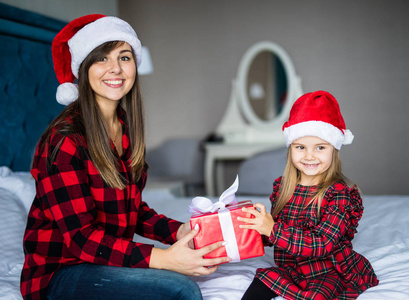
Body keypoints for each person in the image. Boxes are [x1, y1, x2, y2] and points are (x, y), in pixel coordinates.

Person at [20, 14, 229, 300]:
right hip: (60, 274)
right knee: (180, 289)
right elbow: (81, 239)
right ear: (83, 69)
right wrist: (165, 259)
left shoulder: (123, 127)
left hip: (102, 262)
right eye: (102, 58)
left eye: (124, 57)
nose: (115, 69)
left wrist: (178, 231)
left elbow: (131, 210)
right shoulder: (64, 140)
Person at [239, 91, 379, 300]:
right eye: (301, 147)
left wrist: (273, 229)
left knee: (316, 297)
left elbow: (322, 244)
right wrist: (256, 227)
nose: (309, 156)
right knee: (261, 281)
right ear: (290, 149)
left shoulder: (340, 194)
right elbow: (278, 233)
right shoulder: (284, 188)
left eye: (320, 147)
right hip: (292, 267)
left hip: (328, 270)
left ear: (334, 150)